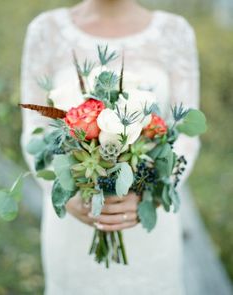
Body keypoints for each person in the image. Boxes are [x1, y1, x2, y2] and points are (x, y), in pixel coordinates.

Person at [21, 0, 200, 294]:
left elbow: (186, 135)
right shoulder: (46, 30)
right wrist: (68, 195)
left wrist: (150, 194)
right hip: (75, 221)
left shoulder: (175, 32)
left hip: (147, 223)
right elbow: (34, 128)